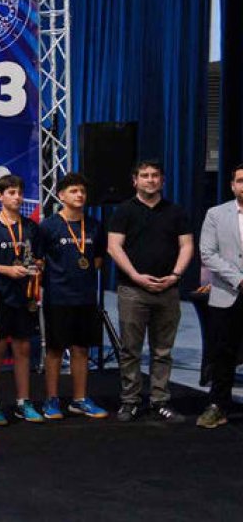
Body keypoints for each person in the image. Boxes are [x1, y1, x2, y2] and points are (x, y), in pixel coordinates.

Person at [107, 159, 194, 422]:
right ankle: (130, 401)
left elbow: (187, 246)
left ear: (162, 181)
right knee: (130, 349)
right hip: (133, 290)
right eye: (144, 175)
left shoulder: (176, 212)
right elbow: (114, 247)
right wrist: (135, 276)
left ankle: (160, 401)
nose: (150, 180)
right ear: (135, 181)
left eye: (155, 175)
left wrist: (175, 275)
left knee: (163, 351)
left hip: (168, 290)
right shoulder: (123, 211)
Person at [37, 172, 109, 420]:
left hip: (86, 298)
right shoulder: (48, 227)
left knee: (81, 349)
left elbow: (97, 260)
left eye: (82, 191)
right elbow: (39, 261)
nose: (79, 195)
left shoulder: (95, 226)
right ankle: (52, 399)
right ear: (61, 196)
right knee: (55, 350)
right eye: (73, 191)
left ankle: (79, 399)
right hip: (57, 298)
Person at [0, 173, 43, 425]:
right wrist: (7, 270)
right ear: (0, 196)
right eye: (11, 193)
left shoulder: (31, 227)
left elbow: (38, 258)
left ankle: (23, 402)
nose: (17, 197)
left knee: (23, 348)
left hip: (24, 297)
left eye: (19, 193)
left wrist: (35, 266)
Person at [195, 163, 243, 428]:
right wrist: (239, 279)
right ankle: (218, 406)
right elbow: (208, 254)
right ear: (232, 185)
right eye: (240, 180)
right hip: (228, 293)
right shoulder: (215, 214)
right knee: (223, 353)